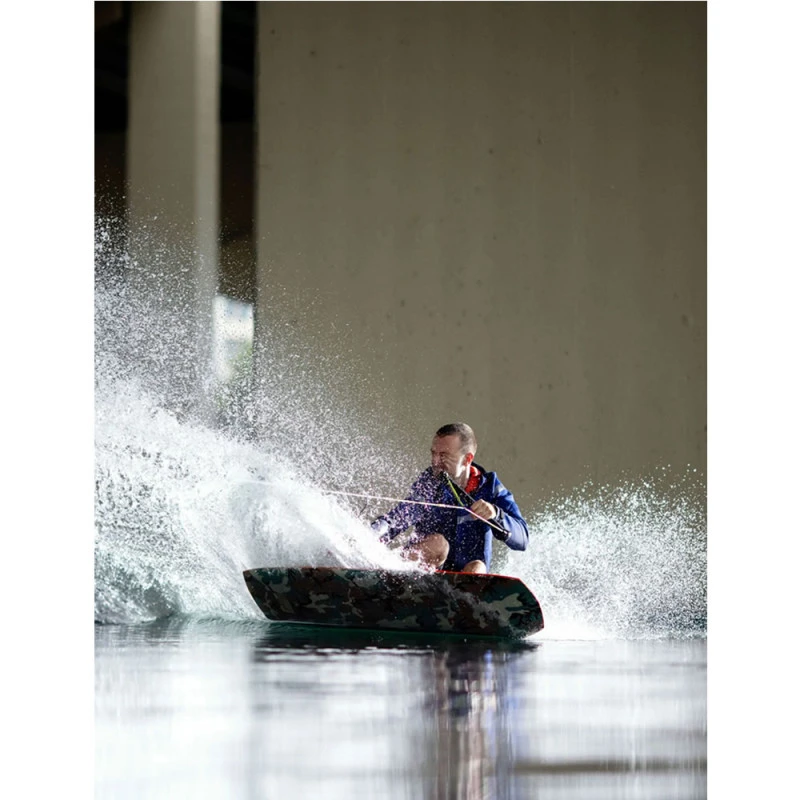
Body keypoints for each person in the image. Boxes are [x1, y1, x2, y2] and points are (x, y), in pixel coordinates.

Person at [371, 423, 529, 573]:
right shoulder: (429, 483)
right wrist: (369, 537)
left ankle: (466, 591)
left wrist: (496, 514)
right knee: (438, 545)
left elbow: (522, 539)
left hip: (466, 579)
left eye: (443, 455)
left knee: (478, 567)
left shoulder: (491, 488)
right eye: (433, 453)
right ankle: (396, 580)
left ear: (467, 459)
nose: (435, 461)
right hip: (424, 574)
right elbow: (399, 516)